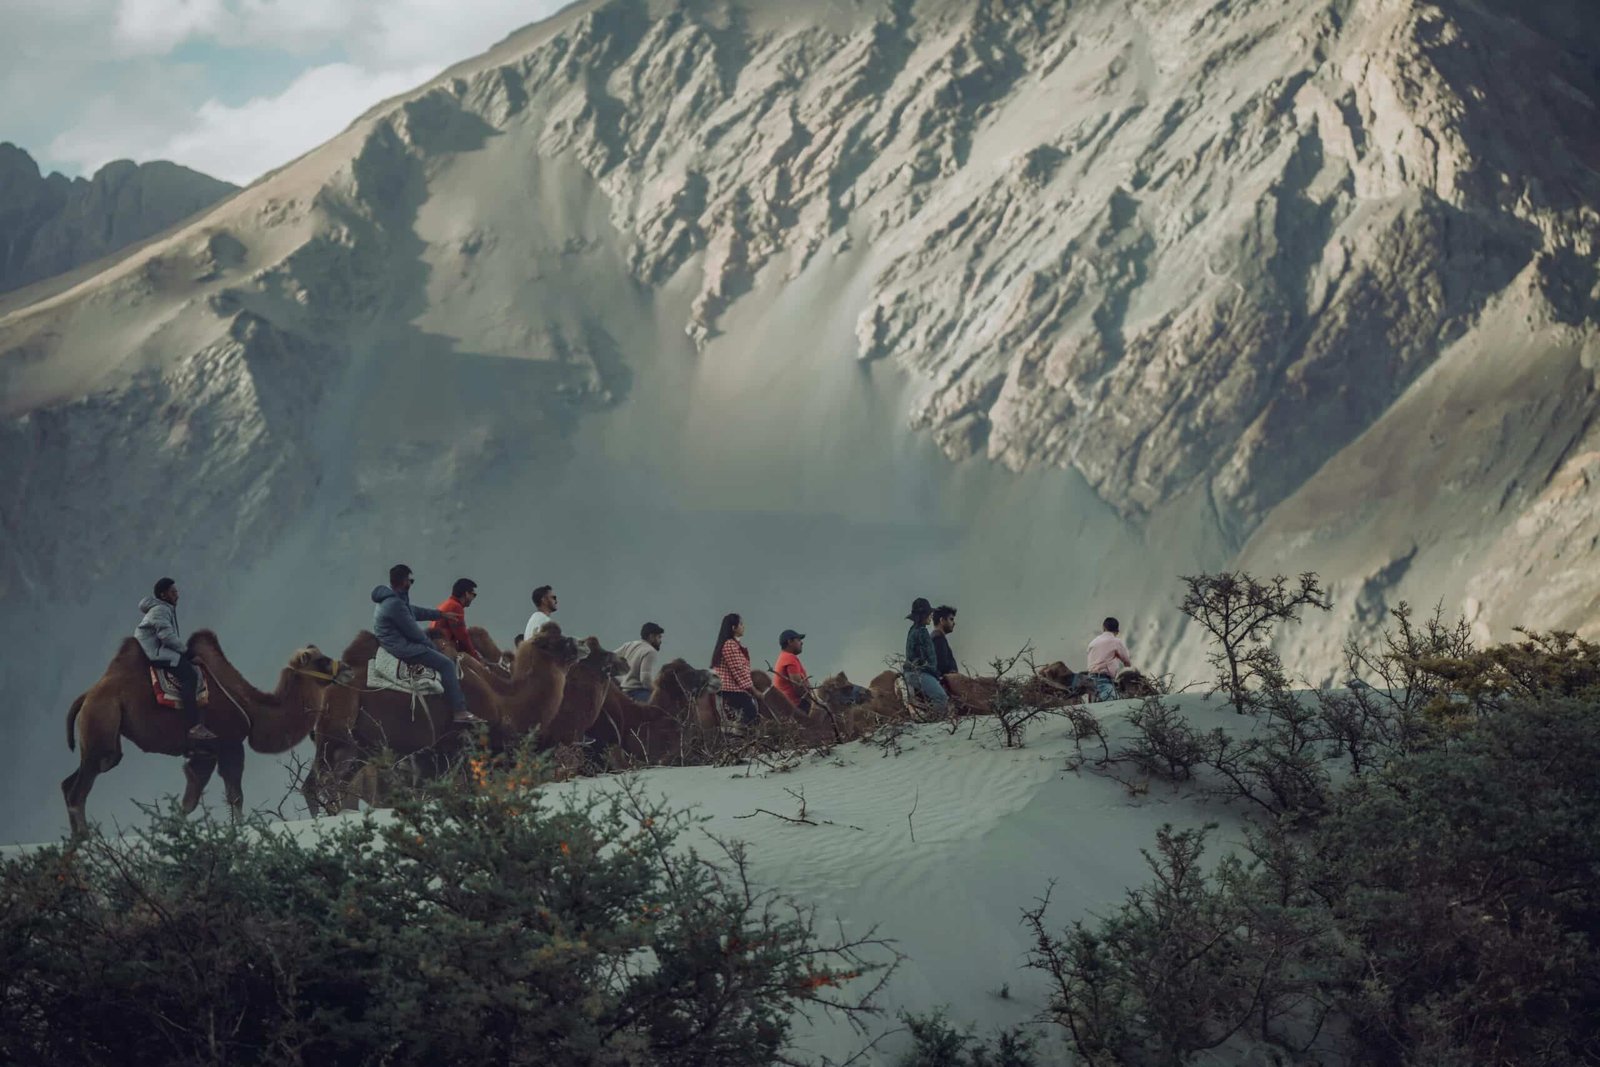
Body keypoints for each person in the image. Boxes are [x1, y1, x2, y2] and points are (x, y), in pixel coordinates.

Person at [372, 564, 481, 725]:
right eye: (411, 580)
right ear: (404, 582)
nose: (411, 583)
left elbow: (414, 611)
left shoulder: (394, 598)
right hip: (400, 645)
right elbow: (413, 632)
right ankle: (460, 711)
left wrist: (440, 614)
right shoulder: (394, 604)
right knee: (446, 664)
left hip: (397, 639)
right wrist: (434, 648)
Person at [135, 577, 214, 741]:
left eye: (176, 592)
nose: (177, 595)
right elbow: (167, 637)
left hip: (156, 648)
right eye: (173, 592)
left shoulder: (163, 608)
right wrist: (189, 654)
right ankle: (194, 726)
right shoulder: (160, 610)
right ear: (164, 595)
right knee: (189, 676)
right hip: (154, 651)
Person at [903, 598, 950, 716]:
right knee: (941, 698)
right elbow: (925, 659)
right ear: (923, 615)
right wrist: (935, 672)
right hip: (920, 673)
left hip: (913, 672)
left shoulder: (913, 630)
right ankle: (933, 723)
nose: (931, 616)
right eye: (929, 613)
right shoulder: (921, 632)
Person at [711, 613, 759, 725]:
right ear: (733, 628)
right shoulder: (729, 645)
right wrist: (754, 690)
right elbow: (739, 670)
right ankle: (742, 735)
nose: (743, 627)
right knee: (750, 713)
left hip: (733, 687)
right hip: (729, 689)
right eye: (741, 624)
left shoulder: (733, 644)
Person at [429, 578, 483, 662]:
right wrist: (476, 658)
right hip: (443, 650)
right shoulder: (455, 607)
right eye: (473, 594)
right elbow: (462, 637)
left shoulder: (446, 604)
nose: (473, 598)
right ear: (466, 593)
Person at [1085, 616, 1133, 701]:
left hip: (1090, 681)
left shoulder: (1092, 642)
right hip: (1103, 681)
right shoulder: (1116, 641)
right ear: (1117, 631)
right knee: (1114, 706)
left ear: (1103, 628)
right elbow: (1127, 661)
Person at [614, 622, 665, 703]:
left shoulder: (629, 645)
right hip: (638, 692)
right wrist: (658, 691)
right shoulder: (650, 651)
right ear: (651, 637)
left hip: (623, 691)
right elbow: (645, 680)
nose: (660, 641)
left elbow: (611, 658)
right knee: (661, 707)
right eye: (659, 637)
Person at [773, 629, 812, 713]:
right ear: (790, 641)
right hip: (795, 706)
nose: (802, 643)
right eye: (798, 640)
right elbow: (798, 688)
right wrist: (813, 701)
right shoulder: (790, 658)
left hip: (785, 706)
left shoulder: (783, 657)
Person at [931, 605, 959, 682]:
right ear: (942, 620)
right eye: (951, 619)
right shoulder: (938, 639)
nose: (954, 623)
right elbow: (941, 666)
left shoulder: (937, 637)